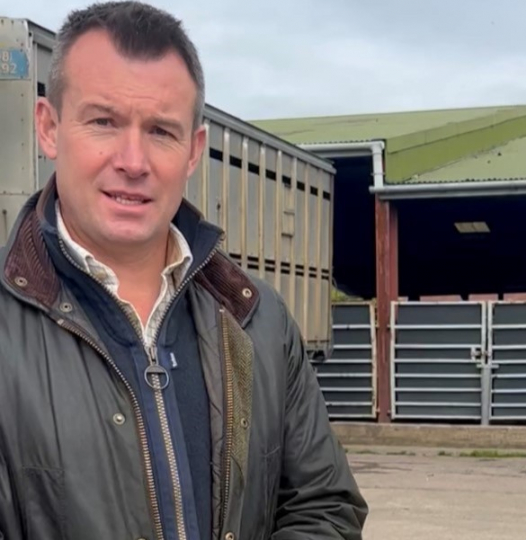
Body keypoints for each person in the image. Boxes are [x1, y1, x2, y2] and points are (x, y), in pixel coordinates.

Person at [0, 2, 367, 539]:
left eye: (161, 131)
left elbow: (325, 505)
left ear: (193, 151)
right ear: (49, 128)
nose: (133, 160)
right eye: (103, 121)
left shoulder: (259, 323)